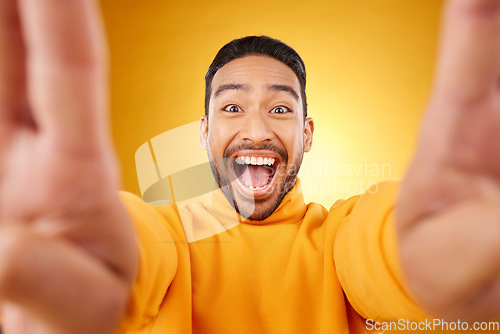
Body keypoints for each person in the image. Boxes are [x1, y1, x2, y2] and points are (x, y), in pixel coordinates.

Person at [1, 0, 500, 333]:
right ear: (204, 132)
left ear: (306, 134)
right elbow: (136, 246)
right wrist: (75, 255)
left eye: (280, 109)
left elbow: (376, 247)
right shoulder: (166, 234)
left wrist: (418, 260)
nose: (257, 130)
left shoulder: (339, 236)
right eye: (233, 107)